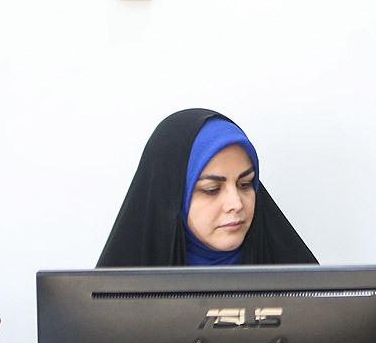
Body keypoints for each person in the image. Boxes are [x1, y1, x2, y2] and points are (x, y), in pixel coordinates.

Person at [97, 109, 316, 267]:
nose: (236, 204)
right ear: (171, 197)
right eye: (211, 189)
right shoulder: (113, 300)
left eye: (245, 184)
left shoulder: (303, 288)